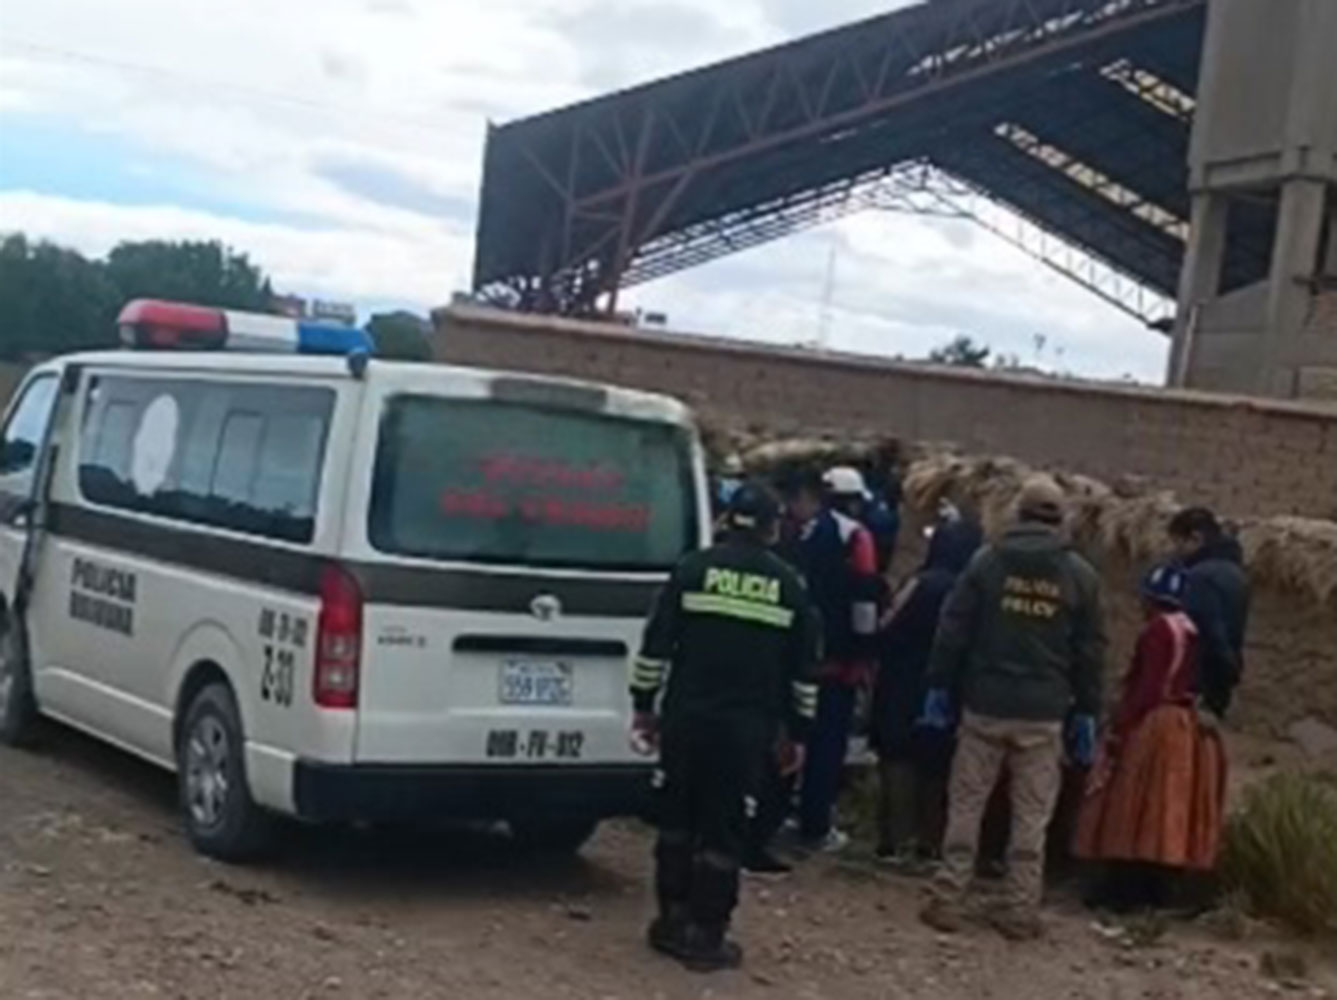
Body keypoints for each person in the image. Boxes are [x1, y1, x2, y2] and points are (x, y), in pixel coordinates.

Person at [631, 483, 818, 972]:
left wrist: (643, 706)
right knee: (723, 829)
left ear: (727, 520)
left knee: (677, 819)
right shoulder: (789, 586)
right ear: (772, 529)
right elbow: (804, 673)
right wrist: (797, 733)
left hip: (686, 721)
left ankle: (670, 920)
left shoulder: (691, 570)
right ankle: (706, 934)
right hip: (743, 733)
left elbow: (654, 647)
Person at [919, 474, 1106, 940]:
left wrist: (939, 684)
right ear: (1061, 520)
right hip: (1043, 714)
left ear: (1018, 514)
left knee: (966, 804)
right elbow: (1091, 651)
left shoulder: (988, 563)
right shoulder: (1079, 576)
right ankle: (1020, 909)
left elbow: (953, 628)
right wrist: (1086, 709)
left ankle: (948, 898)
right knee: (1031, 815)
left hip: (984, 705)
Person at [1073, 565, 1227, 911]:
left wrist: (1121, 727)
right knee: (1164, 808)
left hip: (1154, 724)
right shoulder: (1189, 629)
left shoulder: (1157, 631)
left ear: (1151, 598)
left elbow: (1149, 687)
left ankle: (1123, 892)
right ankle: (1157, 891)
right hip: (1181, 725)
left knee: (1132, 806)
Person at [871, 514, 984, 871]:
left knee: (897, 757)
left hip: (902, 680)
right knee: (937, 767)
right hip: (948, 688)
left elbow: (886, 628)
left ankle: (894, 844)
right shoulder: (974, 590)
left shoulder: (920, 584)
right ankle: (930, 845)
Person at [789, 466, 881, 852]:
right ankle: (816, 825)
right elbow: (864, 600)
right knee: (828, 744)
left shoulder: (795, 529)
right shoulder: (855, 537)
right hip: (836, 662)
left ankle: (778, 814)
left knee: (792, 734)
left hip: (793, 657)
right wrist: (865, 653)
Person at [1167, 508, 1250, 720]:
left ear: (1196, 538)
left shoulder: (1200, 577)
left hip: (1201, 678)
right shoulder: (1237, 574)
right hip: (1223, 677)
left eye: (1179, 543)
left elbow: (1205, 629)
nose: (1176, 550)